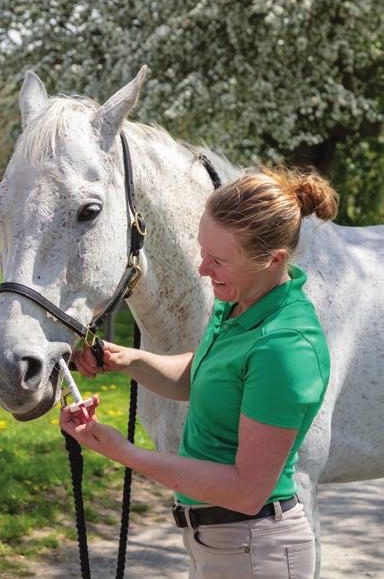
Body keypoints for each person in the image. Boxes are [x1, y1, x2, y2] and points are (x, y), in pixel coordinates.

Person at [60, 166, 339, 579]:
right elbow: (205, 375)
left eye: (219, 259)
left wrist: (125, 453)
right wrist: (130, 360)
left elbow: (247, 490)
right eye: (203, 251)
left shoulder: (284, 346)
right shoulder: (239, 303)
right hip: (222, 544)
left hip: (253, 549)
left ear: (274, 260)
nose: (203, 269)